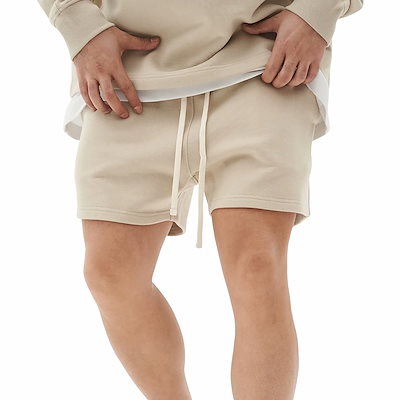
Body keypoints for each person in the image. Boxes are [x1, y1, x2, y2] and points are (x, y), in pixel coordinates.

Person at [37, 1, 363, 399]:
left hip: (263, 60)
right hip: (124, 67)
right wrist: (77, 23)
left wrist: (318, 11)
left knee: (257, 266)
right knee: (111, 273)